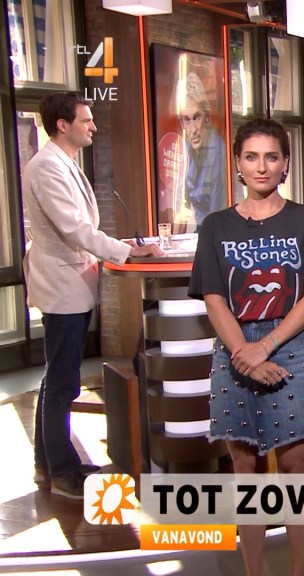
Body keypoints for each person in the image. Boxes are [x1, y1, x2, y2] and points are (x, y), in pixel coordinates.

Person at [188, 118, 304, 576]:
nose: (261, 166)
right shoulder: (215, 226)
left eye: (271, 157)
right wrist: (245, 353)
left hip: (293, 347)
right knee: (246, 468)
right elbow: (214, 298)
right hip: (234, 346)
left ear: (285, 164)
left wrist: (267, 346)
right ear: (237, 163)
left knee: (295, 464)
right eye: (251, 157)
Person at [22, 92, 163, 499]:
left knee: (57, 377)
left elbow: (82, 229)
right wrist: (124, 251)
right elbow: (74, 229)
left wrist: (123, 246)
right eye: (86, 120)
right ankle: (63, 474)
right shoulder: (46, 167)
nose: (93, 127)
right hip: (61, 286)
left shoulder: (63, 162)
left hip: (73, 283)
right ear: (62, 125)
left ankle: (48, 463)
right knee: (62, 382)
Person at [177, 71, 226, 230]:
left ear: (208, 118)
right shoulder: (185, 148)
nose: (193, 130)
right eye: (187, 120)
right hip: (199, 230)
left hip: (217, 229)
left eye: (197, 117)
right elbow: (181, 207)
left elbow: (217, 212)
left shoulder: (218, 151)